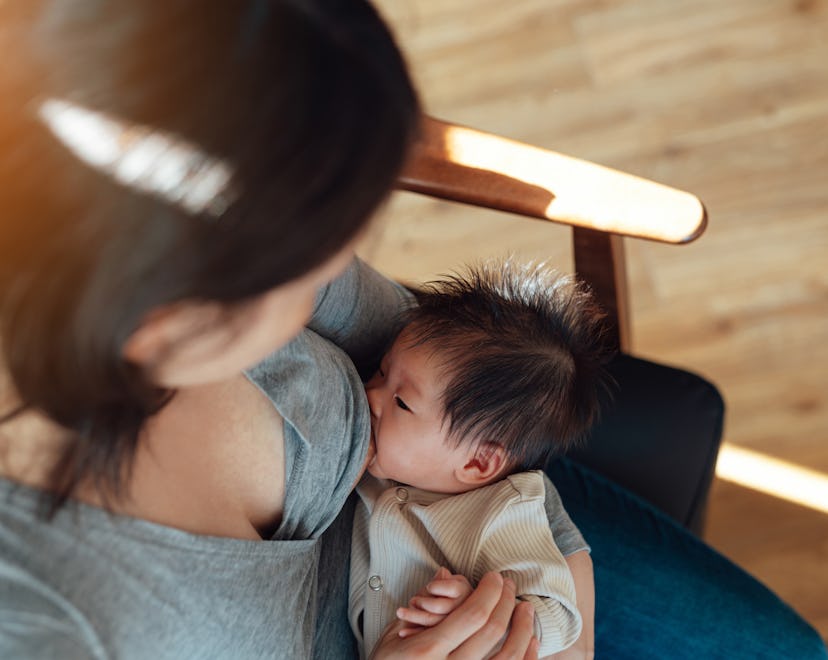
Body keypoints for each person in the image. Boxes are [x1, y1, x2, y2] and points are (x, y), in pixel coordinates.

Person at [0, 1, 825, 659]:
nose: (341, 274)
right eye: (311, 271)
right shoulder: (48, 615)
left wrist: (560, 582)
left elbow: (478, 420)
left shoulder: (140, 198)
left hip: (465, 511)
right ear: (166, 310)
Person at [350, 263, 610, 658]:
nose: (372, 395)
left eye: (402, 402)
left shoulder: (500, 514)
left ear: (477, 463)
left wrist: (480, 609)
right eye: (382, 372)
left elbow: (558, 615)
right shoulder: (395, 463)